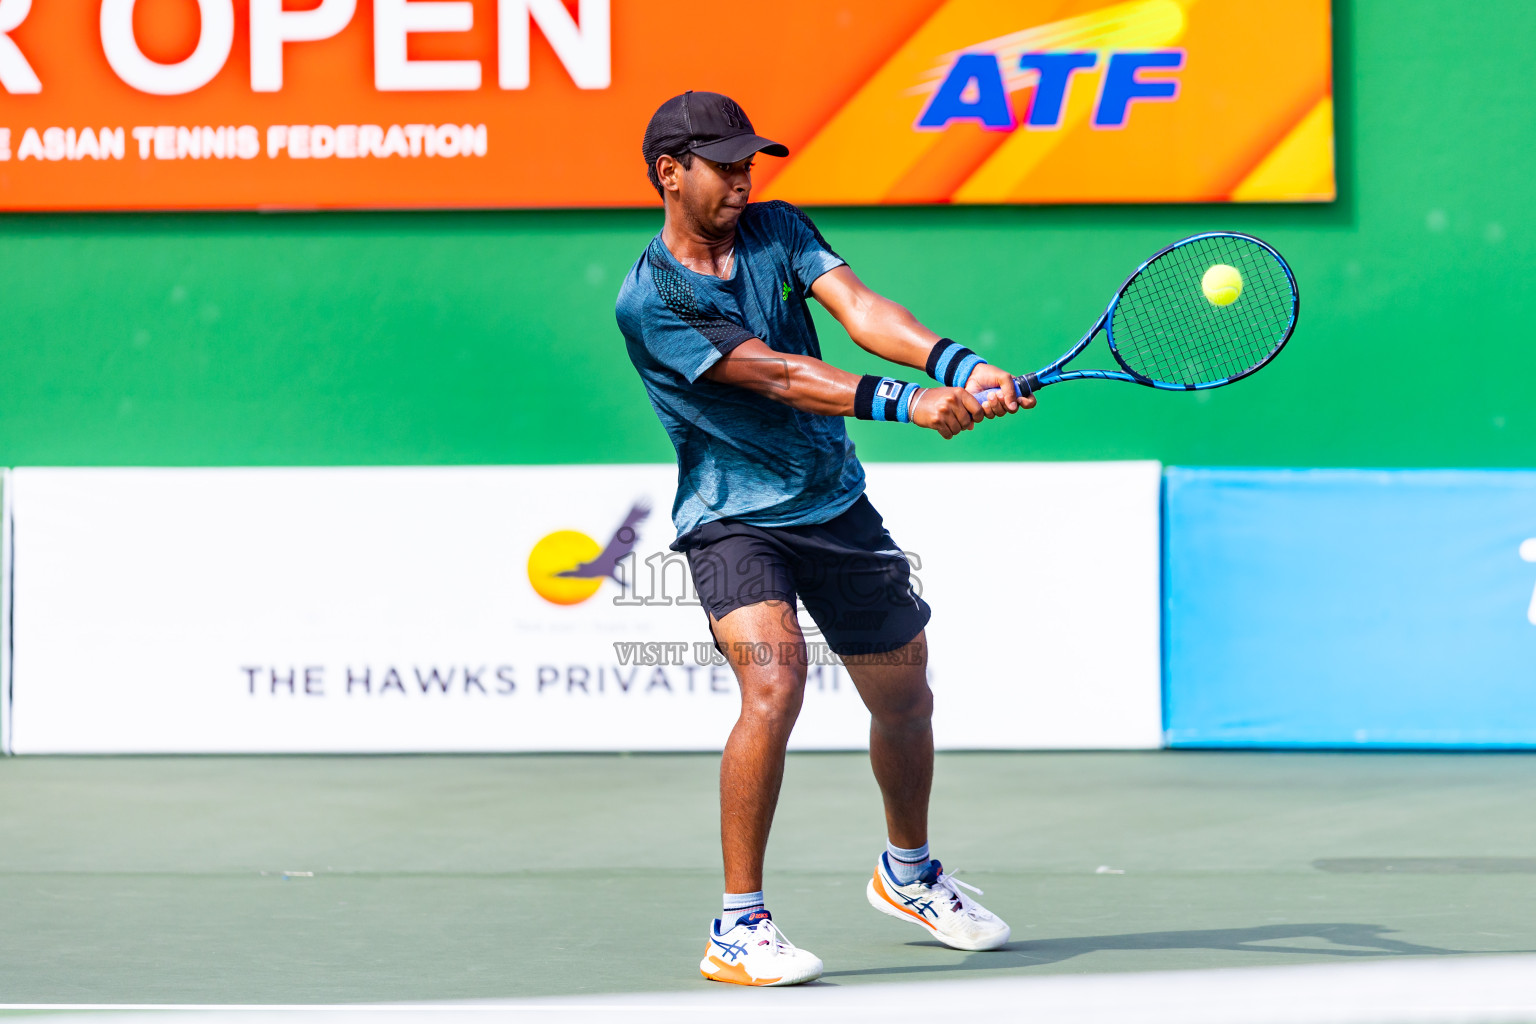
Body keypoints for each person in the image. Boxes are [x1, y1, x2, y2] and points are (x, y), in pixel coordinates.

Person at [614, 91, 1034, 987]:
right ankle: (738, 925)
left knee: (906, 698)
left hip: (833, 505)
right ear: (668, 174)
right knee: (774, 684)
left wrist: (957, 366)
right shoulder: (649, 301)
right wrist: (905, 401)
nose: (742, 180)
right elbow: (780, 375)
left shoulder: (777, 228)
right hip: (732, 520)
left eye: (748, 164)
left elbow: (860, 309)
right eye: (723, 166)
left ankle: (910, 872)